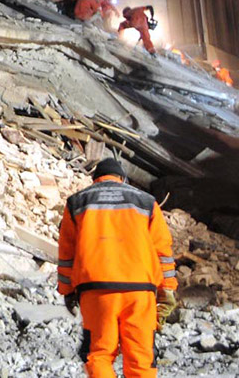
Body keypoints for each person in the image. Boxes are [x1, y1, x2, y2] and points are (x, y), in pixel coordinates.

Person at [58, 157, 177, 378]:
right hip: (140, 292)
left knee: (100, 354)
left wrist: (66, 291)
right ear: (123, 179)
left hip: (96, 291)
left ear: (95, 180)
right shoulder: (146, 202)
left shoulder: (76, 203)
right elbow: (162, 250)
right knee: (141, 359)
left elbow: (67, 254)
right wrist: (167, 288)